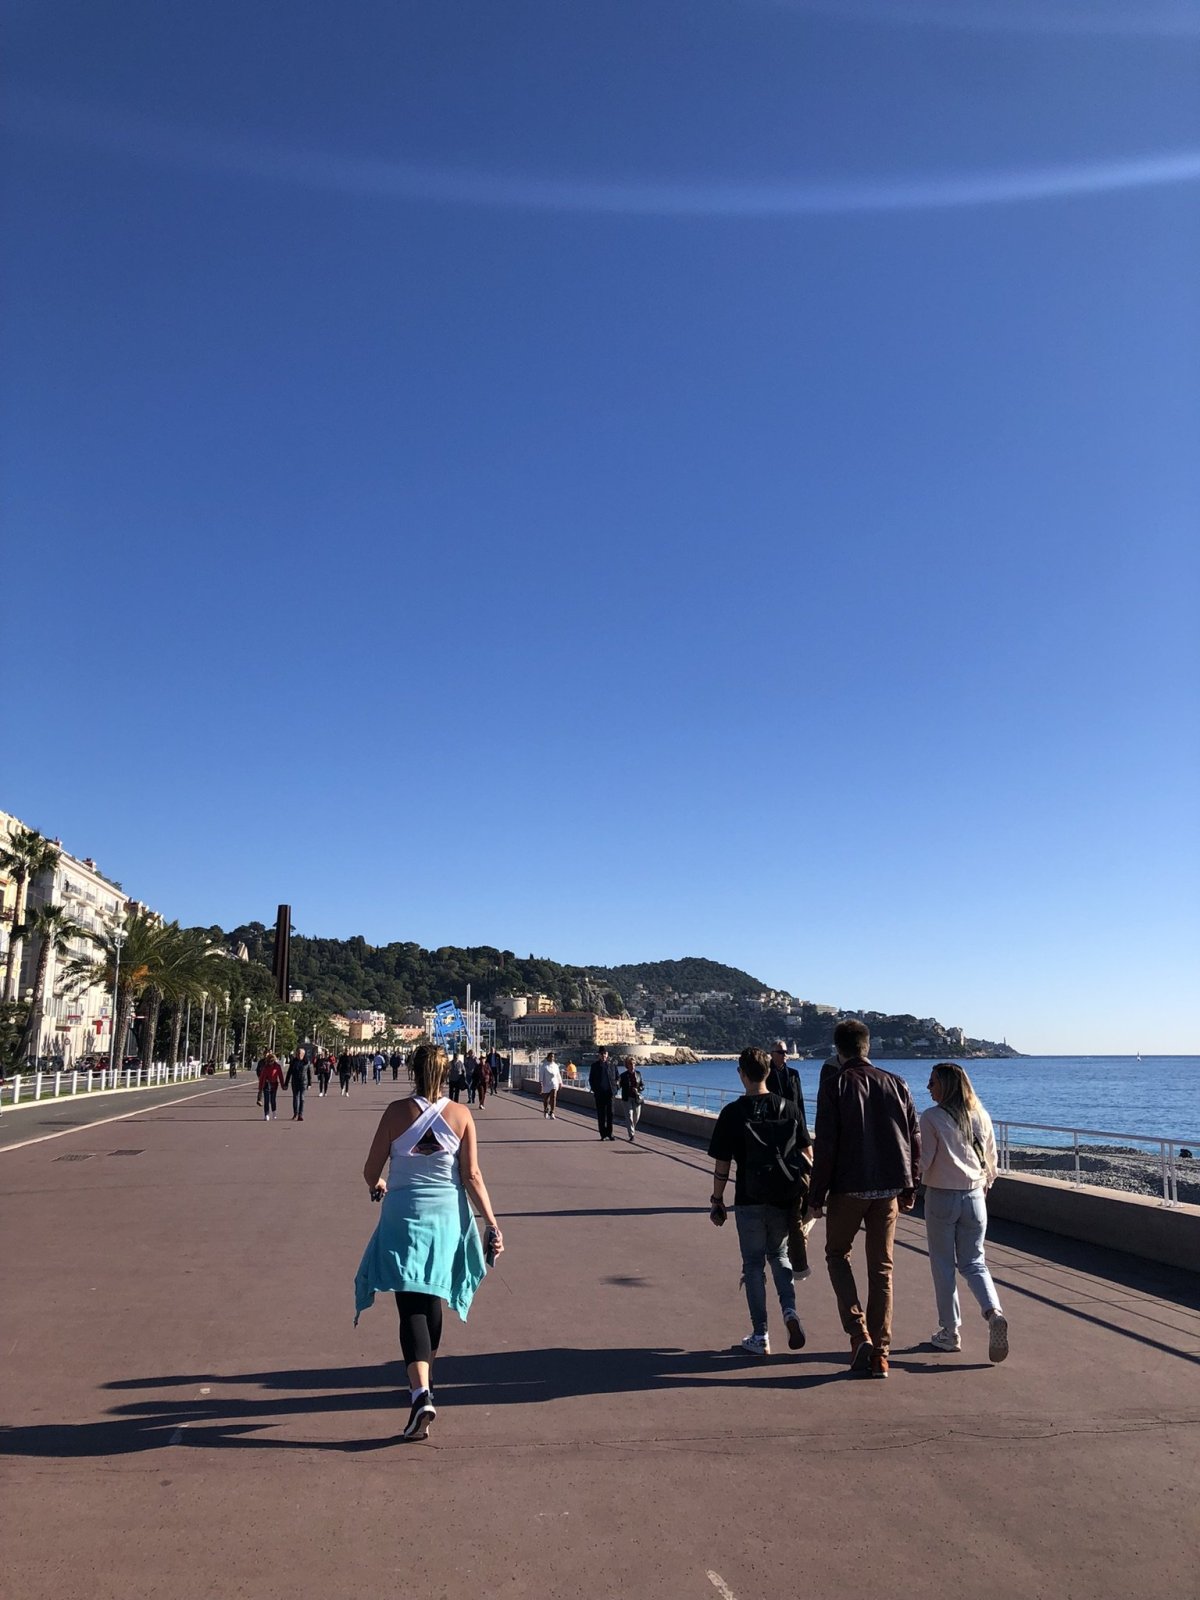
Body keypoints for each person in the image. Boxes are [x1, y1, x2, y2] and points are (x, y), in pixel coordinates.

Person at [355, 1041, 504, 1442]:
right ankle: (426, 1382)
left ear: (412, 1071)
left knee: (410, 1304)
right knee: (432, 1296)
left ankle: (420, 1391)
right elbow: (471, 1175)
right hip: (446, 1219)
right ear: (446, 1073)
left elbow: (370, 1169)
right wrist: (492, 1223)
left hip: (402, 1216)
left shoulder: (394, 1112)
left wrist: (379, 1183)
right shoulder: (461, 1114)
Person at [809, 1019, 921, 1380]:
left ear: (838, 1049)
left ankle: (859, 1334)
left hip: (848, 1188)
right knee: (882, 1270)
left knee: (837, 1255)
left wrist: (816, 1196)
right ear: (867, 1046)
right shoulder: (897, 1083)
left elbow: (826, 1145)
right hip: (888, 1190)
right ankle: (881, 1356)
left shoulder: (835, 1085)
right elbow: (913, 1137)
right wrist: (910, 1187)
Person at [707, 1047, 809, 1357]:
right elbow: (807, 1156)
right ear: (768, 1072)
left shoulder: (732, 1112)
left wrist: (717, 1200)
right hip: (783, 1197)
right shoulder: (789, 1108)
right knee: (779, 1254)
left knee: (753, 1264)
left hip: (748, 1197)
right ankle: (790, 1311)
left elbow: (722, 1164)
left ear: (742, 1074)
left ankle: (760, 1334)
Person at [920, 1062, 1009, 1363]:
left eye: (933, 1082)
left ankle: (950, 1332)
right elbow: (992, 1160)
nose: (928, 1087)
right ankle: (993, 1312)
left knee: (943, 1265)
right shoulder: (981, 1115)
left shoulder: (931, 1117)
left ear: (945, 1086)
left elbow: (924, 1161)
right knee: (974, 1263)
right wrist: (984, 1185)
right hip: (975, 1196)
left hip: (942, 1197)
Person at [766, 1041, 813, 1276]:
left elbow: (800, 1101)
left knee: (795, 1165)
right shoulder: (766, 1073)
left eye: (786, 1052)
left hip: (794, 1126)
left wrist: (804, 1128)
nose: (785, 1055)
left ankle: (792, 1190)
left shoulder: (793, 1074)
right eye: (781, 1052)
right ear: (772, 1054)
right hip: (774, 1128)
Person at [588, 1047, 618, 1141]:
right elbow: (591, 1079)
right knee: (601, 1114)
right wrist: (595, 1090)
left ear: (607, 1054)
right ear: (599, 1055)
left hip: (610, 1093)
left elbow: (617, 1077)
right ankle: (603, 1134)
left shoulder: (612, 1065)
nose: (603, 1055)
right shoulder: (595, 1066)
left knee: (610, 1114)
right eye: (601, 1054)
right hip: (600, 1094)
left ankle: (610, 1133)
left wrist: (616, 1088)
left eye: (605, 1053)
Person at [618, 1056, 644, 1141]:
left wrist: (638, 1089)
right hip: (627, 1098)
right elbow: (619, 1085)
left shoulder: (638, 1074)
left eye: (633, 1064)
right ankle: (631, 1134)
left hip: (636, 1098)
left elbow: (642, 1085)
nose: (632, 1065)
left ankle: (632, 1128)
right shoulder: (623, 1075)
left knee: (636, 1117)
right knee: (629, 1116)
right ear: (627, 1065)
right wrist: (616, 1084)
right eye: (630, 1064)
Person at [284, 1051, 311, 1121]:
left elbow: (309, 1073)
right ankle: (295, 1113)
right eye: (297, 1053)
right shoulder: (293, 1062)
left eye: (299, 1053)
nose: (298, 1055)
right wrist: (286, 1083)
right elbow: (289, 1073)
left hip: (303, 1082)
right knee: (295, 1098)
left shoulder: (306, 1062)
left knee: (302, 1098)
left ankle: (300, 1114)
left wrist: (309, 1084)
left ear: (303, 1054)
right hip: (295, 1082)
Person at [257, 1052, 284, 1122]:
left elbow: (280, 1076)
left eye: (272, 1061)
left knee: (272, 1100)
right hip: (266, 1084)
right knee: (266, 1100)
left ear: (274, 1060)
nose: (270, 1063)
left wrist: (283, 1085)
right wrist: (260, 1088)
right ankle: (266, 1114)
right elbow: (261, 1078)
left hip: (274, 1084)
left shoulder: (277, 1066)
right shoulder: (265, 1067)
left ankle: (274, 1111)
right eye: (269, 1061)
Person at [539, 1052, 563, 1118]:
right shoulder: (544, 1066)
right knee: (546, 1099)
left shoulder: (555, 1065)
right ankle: (546, 1110)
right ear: (548, 1057)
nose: (552, 1058)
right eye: (551, 1056)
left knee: (553, 1097)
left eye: (553, 1057)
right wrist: (541, 1082)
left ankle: (552, 1112)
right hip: (546, 1083)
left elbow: (558, 1074)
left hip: (554, 1083)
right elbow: (541, 1075)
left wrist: (560, 1082)